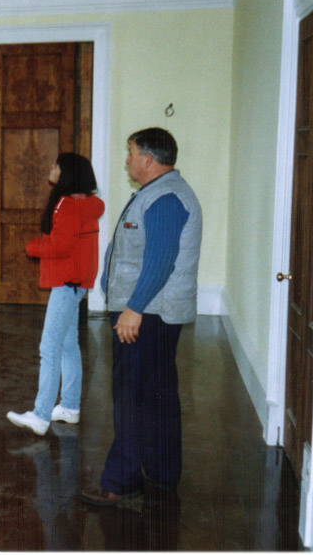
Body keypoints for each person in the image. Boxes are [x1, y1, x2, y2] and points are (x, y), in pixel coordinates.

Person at [81, 127, 202, 506]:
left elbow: (160, 261)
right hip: (151, 312)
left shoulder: (165, 199)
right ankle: (163, 472)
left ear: (148, 160)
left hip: (147, 313)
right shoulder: (160, 193)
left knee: (132, 397)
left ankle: (121, 480)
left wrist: (133, 309)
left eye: (131, 153)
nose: (127, 161)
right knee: (157, 393)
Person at [7, 152, 105, 436]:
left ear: (67, 174)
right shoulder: (88, 203)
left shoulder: (67, 205)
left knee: (49, 347)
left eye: (56, 166)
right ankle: (70, 407)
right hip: (77, 283)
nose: (51, 169)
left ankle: (40, 416)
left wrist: (32, 247)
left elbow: (59, 247)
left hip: (66, 284)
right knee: (68, 345)